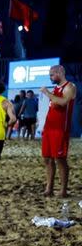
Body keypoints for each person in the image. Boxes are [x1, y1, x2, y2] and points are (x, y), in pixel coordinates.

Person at [41, 65, 77, 197]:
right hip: (49, 128)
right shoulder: (56, 88)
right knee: (47, 158)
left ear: (60, 73)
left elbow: (63, 102)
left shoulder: (70, 87)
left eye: (52, 75)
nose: (50, 77)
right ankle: (49, 188)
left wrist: (47, 93)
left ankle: (63, 190)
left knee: (60, 159)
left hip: (60, 129)